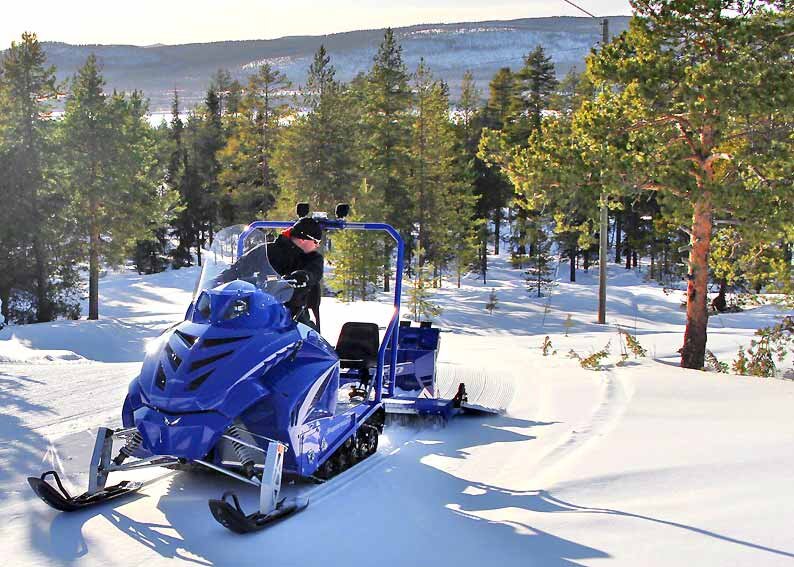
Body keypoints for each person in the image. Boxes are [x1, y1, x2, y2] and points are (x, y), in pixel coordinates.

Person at [218, 217, 324, 327]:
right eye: (316, 241)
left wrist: (303, 277)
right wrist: (220, 280)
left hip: (294, 313)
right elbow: (241, 267)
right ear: (303, 239)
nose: (317, 245)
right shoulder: (268, 250)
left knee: (304, 336)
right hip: (260, 309)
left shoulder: (313, 258)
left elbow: (314, 271)